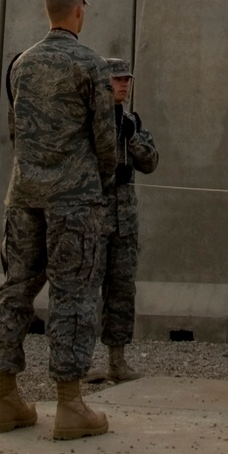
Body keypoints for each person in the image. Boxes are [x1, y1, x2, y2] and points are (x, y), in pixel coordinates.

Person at [0, 0, 117, 441]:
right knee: (74, 294)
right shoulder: (91, 64)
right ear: (79, 8)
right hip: (74, 200)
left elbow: (16, 132)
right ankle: (70, 404)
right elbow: (106, 140)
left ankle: (5, 398)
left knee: (16, 287)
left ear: (48, 10)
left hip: (23, 195)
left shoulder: (20, 65)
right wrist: (99, 183)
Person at [87, 58, 159, 383]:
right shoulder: (90, 119)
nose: (124, 85)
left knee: (121, 292)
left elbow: (151, 161)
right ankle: (82, 363)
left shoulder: (131, 121)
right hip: (94, 218)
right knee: (87, 291)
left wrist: (132, 136)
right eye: (117, 79)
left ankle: (117, 360)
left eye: (127, 79)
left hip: (124, 222)